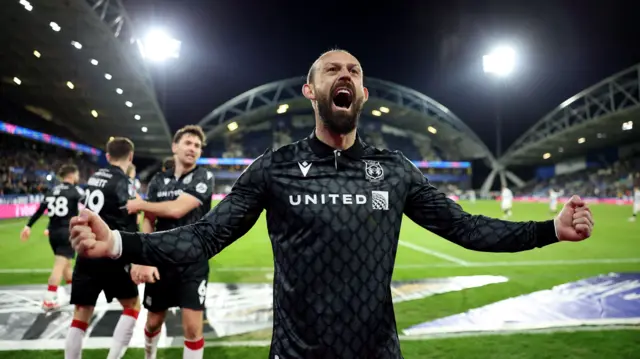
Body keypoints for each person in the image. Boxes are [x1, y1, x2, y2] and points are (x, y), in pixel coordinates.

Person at [69, 49, 595, 359]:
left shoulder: (394, 170)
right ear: (310, 90)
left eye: (354, 71)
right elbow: (205, 235)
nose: (345, 75)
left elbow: (468, 228)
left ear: (363, 95)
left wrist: (551, 228)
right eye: (332, 70)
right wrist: (117, 242)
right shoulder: (273, 168)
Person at [126, 125, 214, 359]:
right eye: (188, 143)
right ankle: (149, 355)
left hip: (193, 261)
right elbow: (149, 221)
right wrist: (142, 259)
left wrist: (141, 203)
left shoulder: (204, 177)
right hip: (160, 260)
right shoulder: (158, 180)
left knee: (193, 328)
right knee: (153, 322)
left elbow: (176, 210)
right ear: (175, 147)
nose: (193, 148)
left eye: (197, 146)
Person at [65, 137, 141, 359]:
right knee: (132, 306)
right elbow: (131, 223)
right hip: (111, 252)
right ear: (131, 157)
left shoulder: (94, 178)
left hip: (87, 251)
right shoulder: (125, 182)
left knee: (81, 314)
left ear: (107, 156)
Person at [21, 164, 84, 310]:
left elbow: (40, 210)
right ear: (72, 175)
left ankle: (75, 294)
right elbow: (91, 205)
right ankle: (48, 300)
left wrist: (28, 226)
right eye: (77, 174)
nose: (78, 177)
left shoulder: (52, 191)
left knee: (66, 265)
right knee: (59, 266)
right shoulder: (75, 191)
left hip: (53, 233)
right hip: (66, 232)